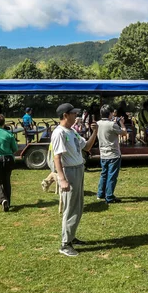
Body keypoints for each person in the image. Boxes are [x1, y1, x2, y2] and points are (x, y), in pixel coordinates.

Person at [51, 103, 99, 257]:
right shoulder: (59, 133)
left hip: (78, 169)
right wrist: (62, 179)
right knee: (70, 208)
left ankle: (71, 237)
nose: (76, 116)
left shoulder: (72, 131)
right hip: (69, 172)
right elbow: (57, 157)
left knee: (77, 206)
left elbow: (87, 147)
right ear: (65, 115)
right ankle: (65, 244)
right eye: (73, 114)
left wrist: (95, 132)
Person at [96, 105, 127, 205]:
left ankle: (101, 193)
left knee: (104, 174)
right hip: (113, 154)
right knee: (112, 176)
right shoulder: (112, 125)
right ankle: (109, 196)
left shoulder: (98, 123)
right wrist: (122, 123)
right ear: (109, 113)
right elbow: (124, 133)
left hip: (103, 153)